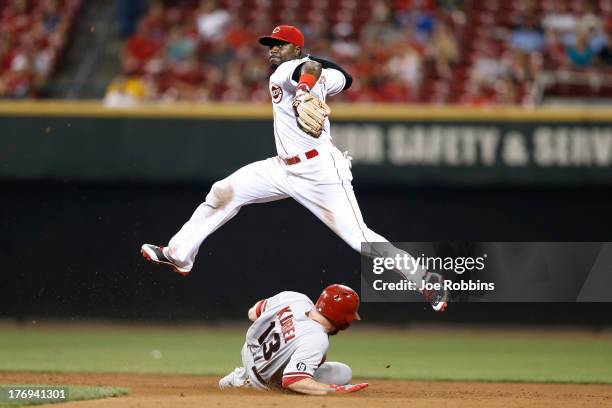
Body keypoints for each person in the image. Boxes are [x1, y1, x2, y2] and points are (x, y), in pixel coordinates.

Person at [141, 25, 448, 312]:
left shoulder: (292, 70)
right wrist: (309, 81)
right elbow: (340, 76)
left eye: (280, 44)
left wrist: (303, 89)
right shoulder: (305, 72)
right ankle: (179, 254)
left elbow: (312, 69)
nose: (273, 48)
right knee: (223, 191)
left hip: (320, 171)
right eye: (271, 44)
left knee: (362, 240)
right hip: (281, 168)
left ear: (297, 49)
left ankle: (424, 279)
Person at [218, 284, 368, 395]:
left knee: (342, 372)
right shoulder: (317, 339)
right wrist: (333, 390)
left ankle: (244, 374)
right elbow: (293, 381)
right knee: (336, 377)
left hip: (249, 352)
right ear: (344, 321)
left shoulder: (295, 298)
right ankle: (245, 381)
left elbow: (252, 313)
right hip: (265, 381)